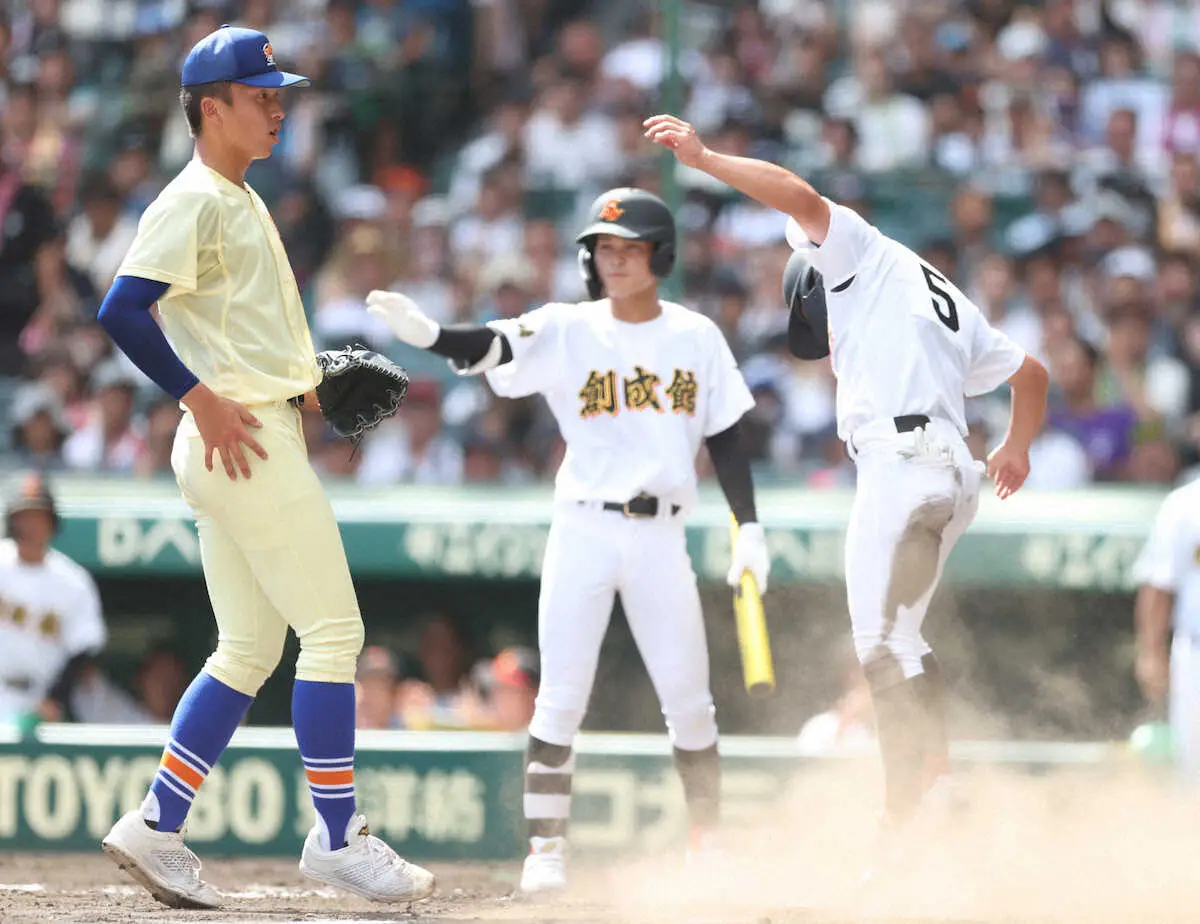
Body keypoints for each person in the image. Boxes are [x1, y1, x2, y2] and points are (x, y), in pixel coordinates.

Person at [643, 113, 1049, 867]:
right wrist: (1017, 447)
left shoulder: (855, 251)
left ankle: (904, 818)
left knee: (880, 646)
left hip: (901, 462)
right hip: (954, 471)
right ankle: (938, 789)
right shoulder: (938, 296)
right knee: (903, 641)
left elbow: (798, 195)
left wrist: (703, 159)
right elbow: (1033, 375)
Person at [94, 26, 433, 910]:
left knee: (248, 649)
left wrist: (305, 388)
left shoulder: (239, 197)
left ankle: (157, 824)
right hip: (237, 437)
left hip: (245, 428)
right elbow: (121, 309)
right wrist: (197, 395)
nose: (278, 108)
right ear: (211, 108)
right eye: (259, 96)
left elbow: (232, 337)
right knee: (334, 635)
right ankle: (336, 837)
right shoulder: (196, 198)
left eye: (280, 95)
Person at [367, 186, 771, 895]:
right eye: (604, 248)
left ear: (660, 256)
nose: (614, 259)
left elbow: (728, 438)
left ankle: (707, 845)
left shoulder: (695, 335)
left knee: (689, 699)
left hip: (662, 533)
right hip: (584, 525)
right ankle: (546, 852)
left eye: (629, 248)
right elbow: (493, 344)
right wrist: (432, 336)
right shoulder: (568, 326)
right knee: (560, 695)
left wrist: (750, 525)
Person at [0, 473, 106, 726]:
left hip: (37, 702)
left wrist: (56, 698)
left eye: (38, 517)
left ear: (52, 522)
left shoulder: (73, 581)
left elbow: (84, 649)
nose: (31, 526)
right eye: (24, 517)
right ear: (12, 521)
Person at [1132, 476, 1200, 786]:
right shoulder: (1186, 503)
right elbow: (1159, 585)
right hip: (1195, 650)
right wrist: (1151, 651)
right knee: (1194, 771)